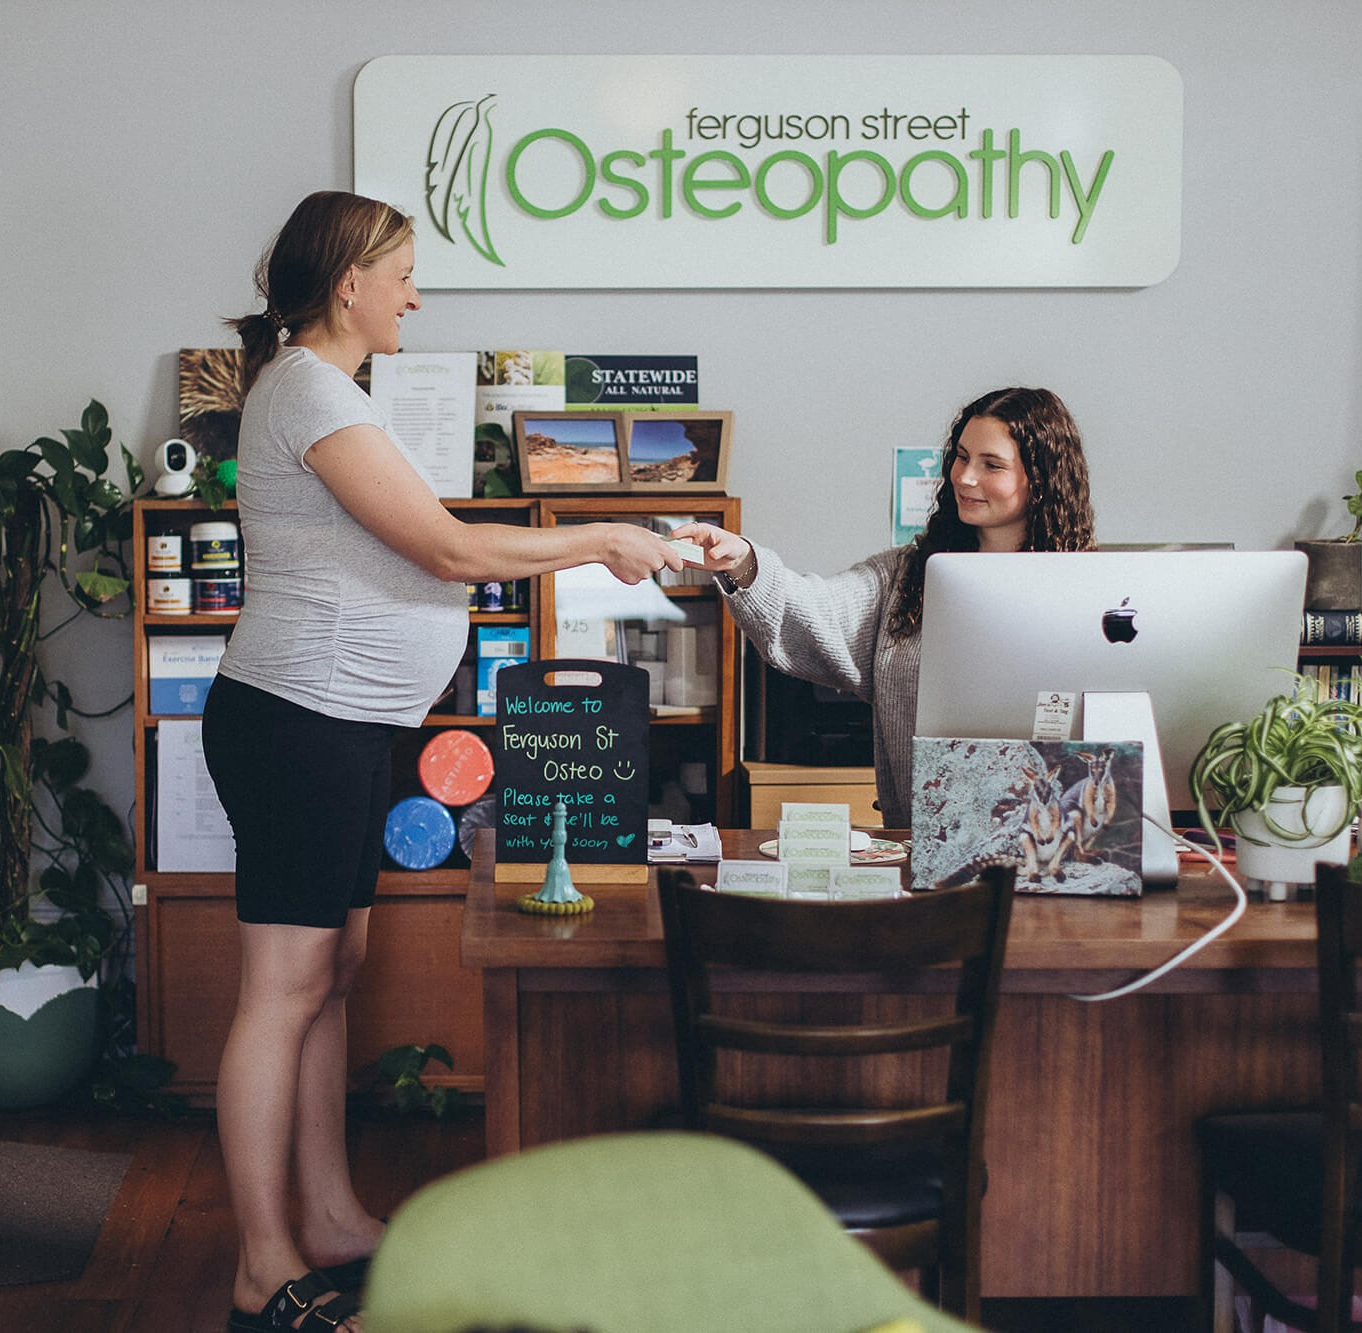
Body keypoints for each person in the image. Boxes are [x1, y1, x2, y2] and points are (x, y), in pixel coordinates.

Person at [205, 190, 681, 1333]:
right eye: (404, 274)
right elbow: (450, 547)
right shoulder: (311, 390)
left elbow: (427, 540)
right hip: (295, 718)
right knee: (282, 990)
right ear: (347, 285)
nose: (416, 294)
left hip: (346, 722)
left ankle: (323, 1215)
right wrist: (602, 533)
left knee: (329, 976)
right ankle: (262, 1266)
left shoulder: (326, 391)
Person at [671, 386, 1095, 829]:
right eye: (962, 456)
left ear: (1042, 479)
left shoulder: (1088, 589)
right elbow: (816, 609)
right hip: (926, 845)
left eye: (991, 465)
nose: (965, 477)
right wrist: (743, 562)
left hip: (1062, 841)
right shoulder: (905, 577)